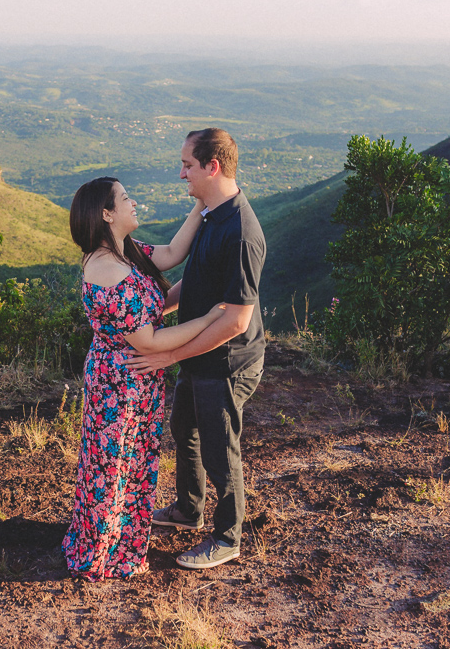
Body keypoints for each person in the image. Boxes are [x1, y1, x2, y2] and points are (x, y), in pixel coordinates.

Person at [62, 176, 226, 581]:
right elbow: (149, 340)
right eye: (125, 198)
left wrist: (202, 204)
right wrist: (208, 318)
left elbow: (171, 254)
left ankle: (119, 538)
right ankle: (104, 551)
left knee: (129, 463)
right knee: (114, 466)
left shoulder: (124, 252)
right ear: (106, 214)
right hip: (119, 385)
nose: (133, 202)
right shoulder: (107, 270)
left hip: (136, 379)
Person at [127, 128, 266, 570]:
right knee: (184, 427)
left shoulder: (241, 233)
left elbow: (236, 320)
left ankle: (227, 538)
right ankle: (189, 510)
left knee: (220, 449)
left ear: (212, 167)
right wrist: (154, 312)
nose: (181, 173)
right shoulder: (212, 215)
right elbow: (198, 278)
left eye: (187, 165)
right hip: (197, 352)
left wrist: (169, 355)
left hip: (227, 361)